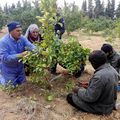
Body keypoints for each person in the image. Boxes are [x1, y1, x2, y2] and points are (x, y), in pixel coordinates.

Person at [67, 50, 119, 115]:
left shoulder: (99, 76)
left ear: (94, 63)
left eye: (91, 63)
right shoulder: (113, 70)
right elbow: (104, 84)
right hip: (110, 102)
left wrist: (78, 90)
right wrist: (89, 84)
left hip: (102, 107)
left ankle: (99, 111)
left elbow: (90, 98)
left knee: (70, 97)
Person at [0, 21, 35, 86]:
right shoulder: (3, 42)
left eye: (21, 31)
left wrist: (41, 52)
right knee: (11, 87)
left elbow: (31, 46)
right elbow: (4, 58)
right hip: (9, 70)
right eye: (17, 31)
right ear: (11, 32)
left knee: (24, 85)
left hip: (20, 69)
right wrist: (20, 55)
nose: (20, 33)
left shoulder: (22, 38)